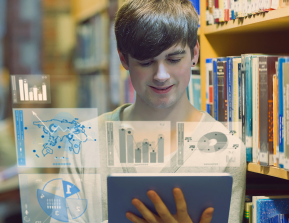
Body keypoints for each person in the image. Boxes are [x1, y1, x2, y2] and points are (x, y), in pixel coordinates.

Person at [60, 0, 246, 223]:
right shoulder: (82, 142)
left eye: (174, 59)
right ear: (123, 59)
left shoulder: (226, 151)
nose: (161, 75)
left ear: (195, 52)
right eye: (146, 62)